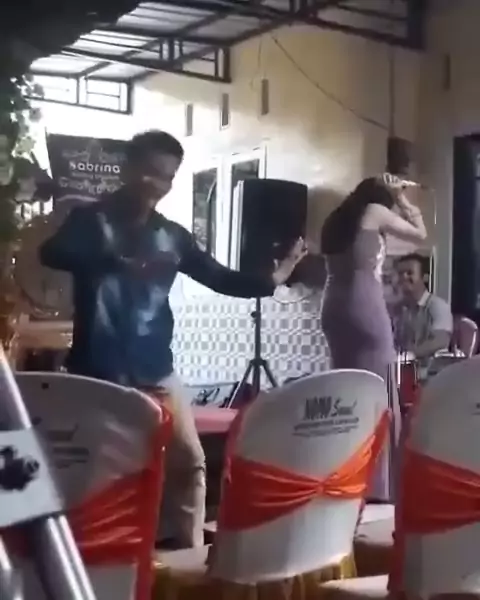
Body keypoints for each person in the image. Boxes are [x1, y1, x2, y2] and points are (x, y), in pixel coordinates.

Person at [39, 130, 307, 548]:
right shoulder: (91, 221)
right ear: (128, 169)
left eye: (166, 177)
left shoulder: (173, 236)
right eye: (149, 172)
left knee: (189, 464)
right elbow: (51, 253)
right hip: (98, 373)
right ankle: (92, 558)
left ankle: (184, 557)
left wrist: (274, 278)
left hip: (158, 372)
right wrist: (110, 255)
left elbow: (220, 278)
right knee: (99, 472)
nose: (156, 185)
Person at [320, 174, 427, 501]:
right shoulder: (374, 211)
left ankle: (347, 477)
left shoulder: (337, 220)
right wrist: (403, 199)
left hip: (332, 306)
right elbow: (420, 235)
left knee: (348, 390)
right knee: (381, 387)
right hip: (362, 302)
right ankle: (380, 485)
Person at [391, 253, 453, 361]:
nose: (404, 277)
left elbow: (440, 341)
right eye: (400, 273)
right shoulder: (398, 308)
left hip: (430, 368)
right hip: (402, 366)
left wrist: (410, 354)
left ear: (424, 277)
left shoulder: (438, 306)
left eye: (409, 273)